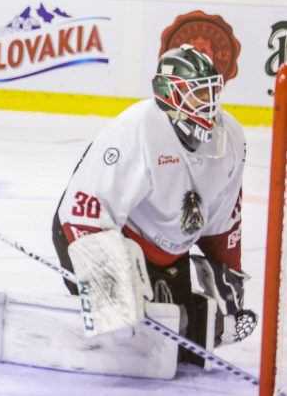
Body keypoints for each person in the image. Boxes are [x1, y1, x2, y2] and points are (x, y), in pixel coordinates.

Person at [51, 44, 256, 364]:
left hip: (167, 251)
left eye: (211, 92)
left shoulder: (231, 139)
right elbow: (84, 212)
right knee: (122, 334)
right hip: (95, 234)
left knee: (178, 348)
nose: (210, 103)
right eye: (198, 94)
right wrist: (110, 289)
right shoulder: (135, 130)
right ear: (170, 95)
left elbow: (223, 222)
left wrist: (227, 284)